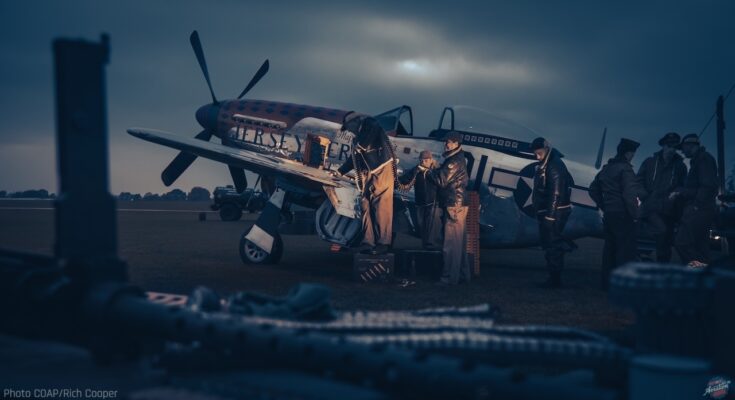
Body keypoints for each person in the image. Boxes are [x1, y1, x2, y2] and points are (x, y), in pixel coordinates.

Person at [336, 112, 396, 255]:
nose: (349, 130)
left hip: (381, 170)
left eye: (348, 126)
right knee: (365, 205)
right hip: (367, 173)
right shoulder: (358, 138)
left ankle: (383, 242)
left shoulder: (370, 124)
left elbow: (371, 132)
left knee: (382, 207)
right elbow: (354, 158)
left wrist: (361, 145)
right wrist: (340, 171)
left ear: (355, 121)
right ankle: (368, 242)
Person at [589, 138, 641, 289]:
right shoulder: (626, 170)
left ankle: (607, 283)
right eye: (632, 154)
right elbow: (629, 196)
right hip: (623, 215)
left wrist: (604, 206)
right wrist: (635, 215)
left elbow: (593, 190)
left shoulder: (606, 169)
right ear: (628, 153)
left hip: (610, 214)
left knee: (610, 250)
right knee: (625, 251)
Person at [636, 132, 687, 263]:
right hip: (649, 208)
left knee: (665, 244)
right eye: (669, 146)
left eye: (675, 147)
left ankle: (661, 267)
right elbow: (638, 181)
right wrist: (644, 196)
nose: (672, 149)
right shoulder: (649, 162)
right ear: (663, 145)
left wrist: (676, 193)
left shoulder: (681, 166)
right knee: (656, 234)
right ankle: (641, 259)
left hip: (669, 211)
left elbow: (683, 186)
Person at [670, 134, 719, 266]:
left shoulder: (703, 159)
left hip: (699, 209)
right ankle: (705, 274)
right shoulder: (699, 159)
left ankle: (698, 270)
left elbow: (708, 185)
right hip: (703, 209)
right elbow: (698, 187)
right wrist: (682, 191)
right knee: (700, 245)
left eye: (683, 148)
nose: (682, 152)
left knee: (682, 242)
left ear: (690, 145)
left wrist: (696, 205)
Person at [530, 137, 573, 288]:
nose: (537, 157)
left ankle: (555, 279)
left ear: (546, 149)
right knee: (550, 243)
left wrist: (550, 216)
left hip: (555, 212)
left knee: (553, 243)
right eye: (535, 153)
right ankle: (554, 277)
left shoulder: (554, 165)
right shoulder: (549, 163)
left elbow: (556, 194)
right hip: (553, 210)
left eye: (539, 153)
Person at [428, 131, 470, 285]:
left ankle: (449, 278)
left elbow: (441, 180)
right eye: (446, 141)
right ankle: (463, 275)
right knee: (459, 243)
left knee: (451, 243)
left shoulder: (453, 161)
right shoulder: (457, 158)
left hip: (453, 204)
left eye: (450, 142)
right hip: (458, 204)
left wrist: (428, 170)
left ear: (457, 143)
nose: (446, 144)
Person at [398, 150, 441, 249]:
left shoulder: (436, 170)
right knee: (421, 226)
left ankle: (431, 246)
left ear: (431, 160)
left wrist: (427, 172)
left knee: (431, 228)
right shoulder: (416, 170)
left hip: (433, 203)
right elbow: (405, 179)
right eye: (421, 160)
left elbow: (440, 182)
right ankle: (424, 246)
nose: (423, 162)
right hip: (420, 202)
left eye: (425, 160)